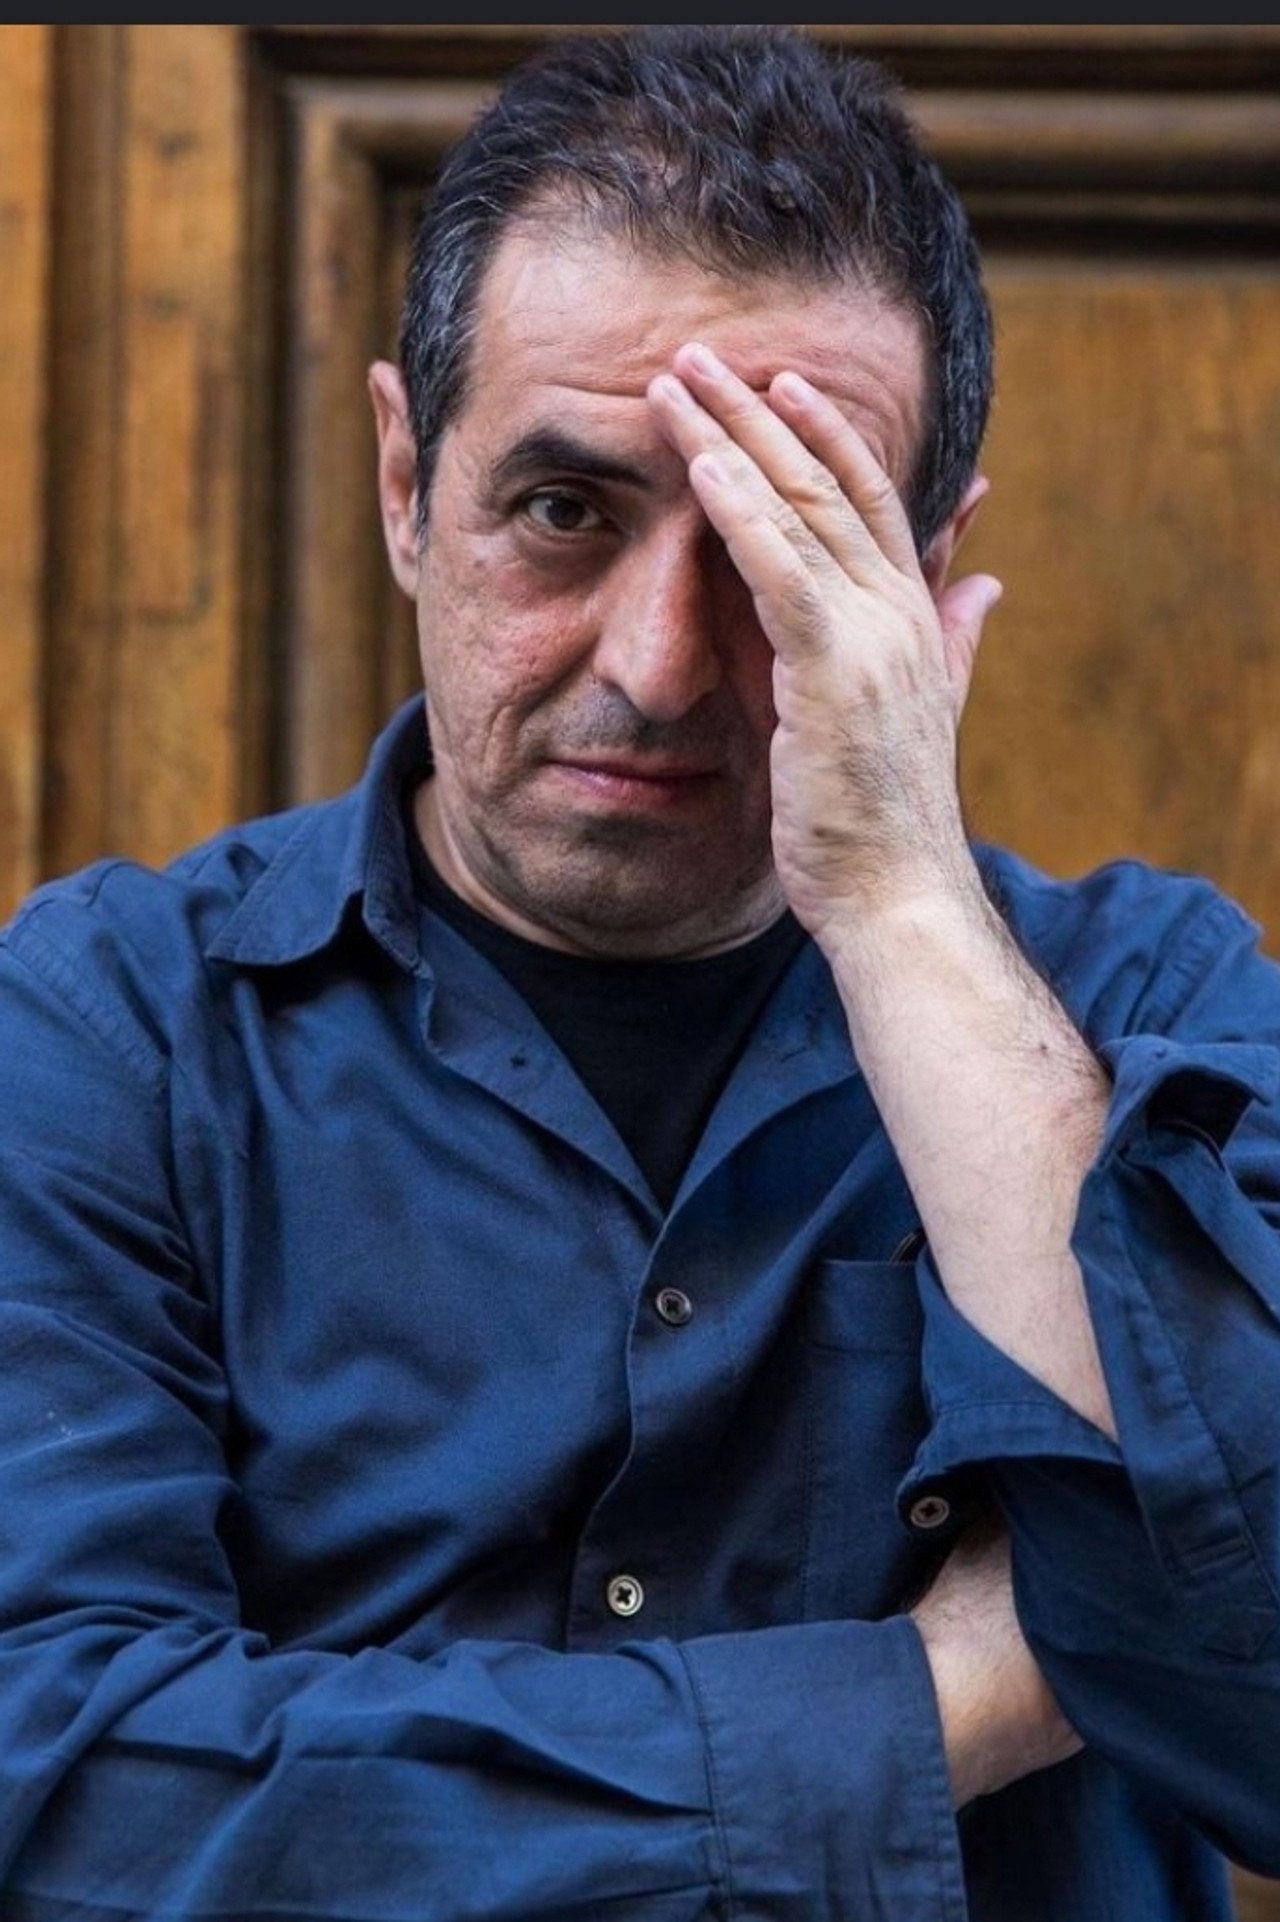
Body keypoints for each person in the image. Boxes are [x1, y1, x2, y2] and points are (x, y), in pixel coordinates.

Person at [0, 22, 1278, 1919]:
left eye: (782, 547)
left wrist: (899, 902)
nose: (660, 665)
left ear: (929, 577)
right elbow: (62, 1790)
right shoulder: (109, 1030)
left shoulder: (1149, 1000)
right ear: (405, 482)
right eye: (564, 512)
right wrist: (946, 1697)